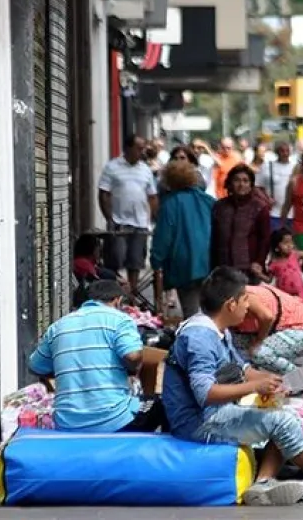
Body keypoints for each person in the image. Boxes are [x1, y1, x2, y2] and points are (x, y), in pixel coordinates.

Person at [162, 267, 303, 506]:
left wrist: (272, 381)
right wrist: (255, 387)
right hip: (199, 423)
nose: (248, 307)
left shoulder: (219, 330)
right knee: (282, 423)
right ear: (231, 304)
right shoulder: (200, 338)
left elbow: (241, 369)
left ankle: (262, 484)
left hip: (214, 413)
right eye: (245, 300)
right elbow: (206, 394)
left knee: (286, 416)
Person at [29, 280, 164, 433]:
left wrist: (68, 371)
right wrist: (133, 368)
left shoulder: (58, 326)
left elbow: (35, 366)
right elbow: (133, 356)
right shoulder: (120, 319)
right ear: (117, 300)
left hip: (67, 423)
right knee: (165, 403)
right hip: (115, 420)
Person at [151, 160, 215, 317]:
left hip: (183, 265)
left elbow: (163, 237)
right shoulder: (209, 201)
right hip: (209, 261)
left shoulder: (170, 204)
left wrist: (156, 260)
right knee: (211, 312)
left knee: (191, 311)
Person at [97, 134, 158, 295]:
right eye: (139, 148)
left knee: (135, 262)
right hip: (119, 222)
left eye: (143, 148)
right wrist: (109, 218)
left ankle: (132, 295)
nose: (142, 152)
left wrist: (151, 218)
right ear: (127, 148)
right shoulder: (112, 167)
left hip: (140, 223)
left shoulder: (145, 169)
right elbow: (104, 193)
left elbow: (152, 196)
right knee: (115, 259)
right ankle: (113, 294)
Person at [231, 284, 303, 375]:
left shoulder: (244, 295)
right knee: (238, 349)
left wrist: (258, 341)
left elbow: (267, 317)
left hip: (302, 328)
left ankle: (301, 377)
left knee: (259, 353)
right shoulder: (236, 293)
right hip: (286, 327)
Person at [211, 164, 271, 283]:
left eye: (245, 181)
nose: (241, 184)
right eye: (237, 180)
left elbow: (265, 238)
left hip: (249, 269)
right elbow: (214, 237)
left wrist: (259, 261)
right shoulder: (220, 206)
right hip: (223, 268)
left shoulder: (259, 207)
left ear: (251, 184)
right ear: (230, 183)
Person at [257, 142, 296, 231]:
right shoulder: (267, 166)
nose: (285, 153)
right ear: (276, 152)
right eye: (282, 151)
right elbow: (257, 187)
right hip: (273, 214)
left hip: (293, 215)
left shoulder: (295, 167)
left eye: (287, 151)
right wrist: (266, 198)